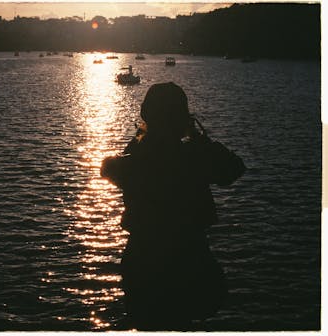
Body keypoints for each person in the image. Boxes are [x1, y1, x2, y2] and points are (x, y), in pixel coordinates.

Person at [101, 82, 245, 330]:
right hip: (189, 257)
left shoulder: (134, 158)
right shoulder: (196, 157)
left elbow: (110, 168)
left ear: (146, 114)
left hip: (144, 260)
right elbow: (233, 168)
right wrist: (197, 137)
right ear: (182, 117)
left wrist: (143, 136)